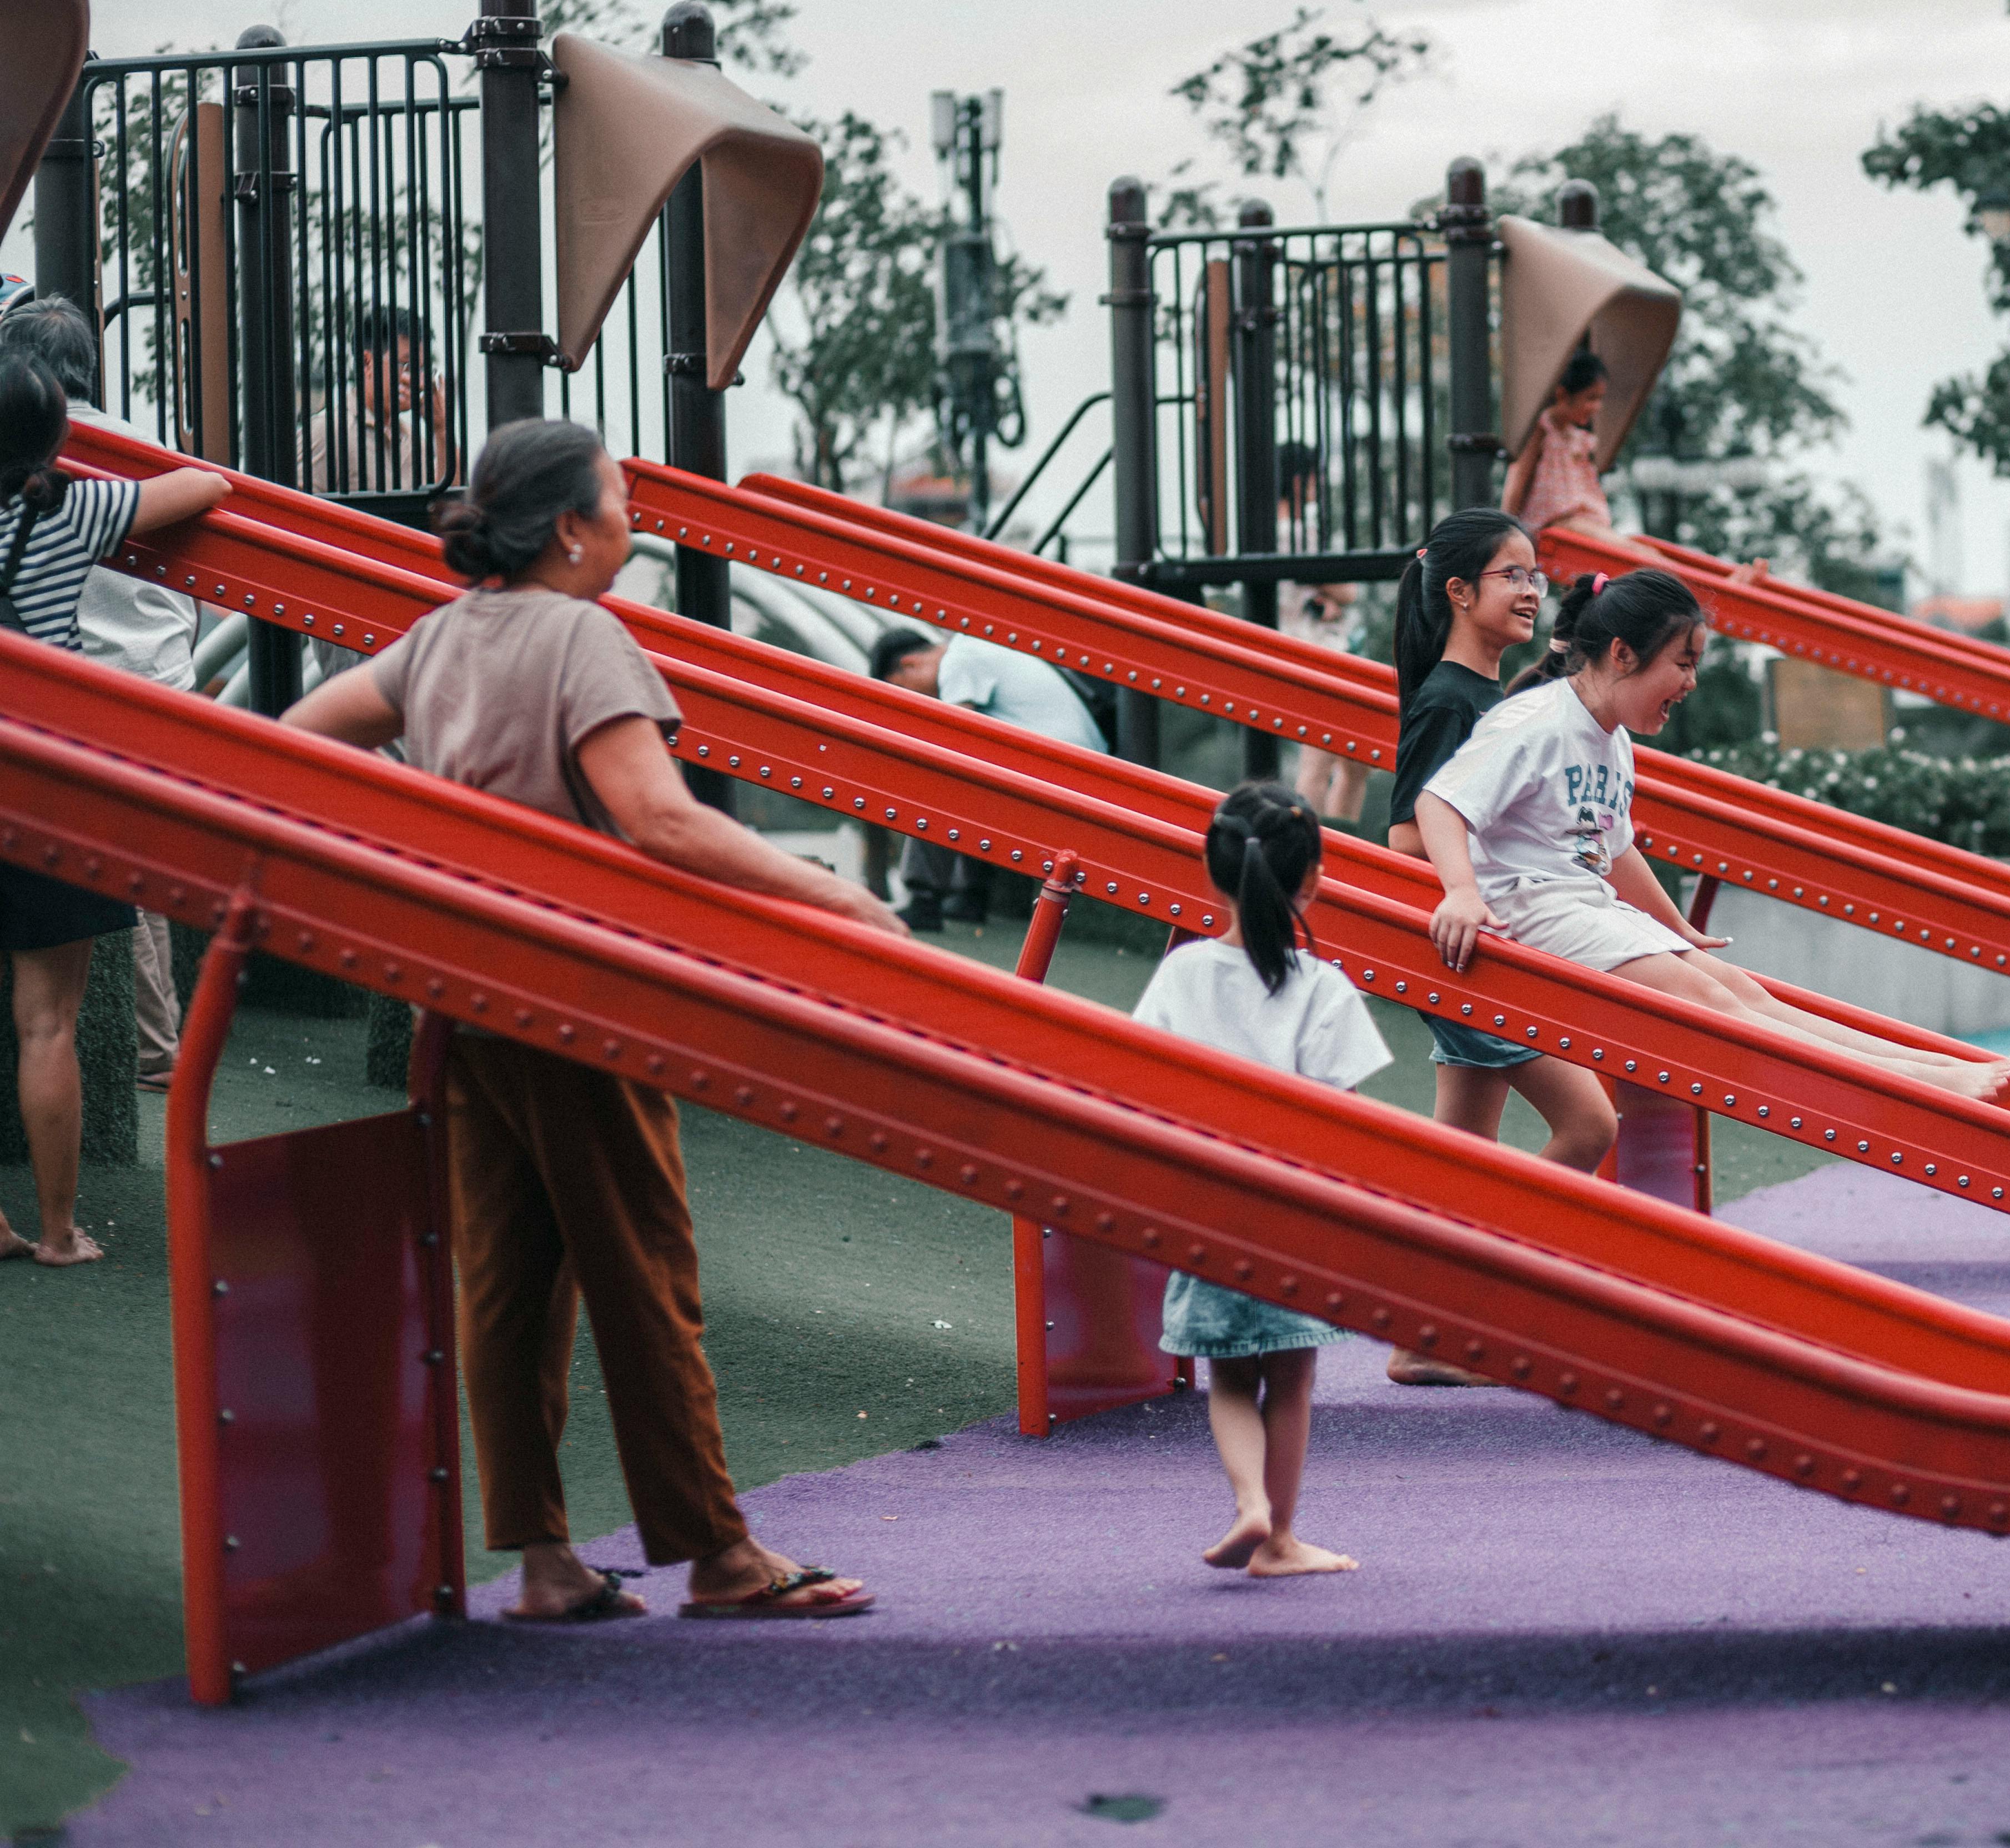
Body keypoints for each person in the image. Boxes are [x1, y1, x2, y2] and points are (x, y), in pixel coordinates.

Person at [285, 418, 896, 1619]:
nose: (634, 517)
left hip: (463, 996)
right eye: (620, 496)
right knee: (643, 1267)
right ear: (572, 527)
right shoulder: (583, 635)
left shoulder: (437, 639)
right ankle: (719, 1554)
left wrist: (432, 849)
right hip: (579, 999)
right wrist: (839, 896)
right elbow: (656, 819)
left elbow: (304, 738)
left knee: (511, 1280)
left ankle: (546, 1561)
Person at [1415, 568, 2010, 1105]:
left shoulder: (1612, 738)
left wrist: (1673, 926)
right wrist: (1462, 892)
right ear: (1624, 654)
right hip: (1531, 905)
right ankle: (1925, 1085)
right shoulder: (1539, 721)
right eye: (1682, 664)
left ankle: (1937, 1067)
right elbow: (1440, 801)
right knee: (1714, 1006)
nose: (1691, 683)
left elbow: (1616, 846)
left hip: (1579, 904)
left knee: (1741, 991)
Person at [1382, 510, 1622, 1385]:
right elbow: (1409, 834)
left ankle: (1426, 1331)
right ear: (1458, 591)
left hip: (1479, 948)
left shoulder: (1495, 698)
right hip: (1474, 949)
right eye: (1512, 575)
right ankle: (1480, 1314)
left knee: (1463, 1157)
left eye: (1535, 576)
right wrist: (1466, 887)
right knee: (1589, 1122)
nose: (1531, 591)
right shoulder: (1451, 700)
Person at [0, 355, 229, 1267]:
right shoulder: (71, 511)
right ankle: (57, 1231)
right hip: (49, 783)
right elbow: (202, 484)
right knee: (49, 1016)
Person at [1134, 782, 1376, 1577]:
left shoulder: (1183, 975)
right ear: (1312, 881)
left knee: (1230, 1378)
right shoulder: (1322, 987)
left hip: (1209, 1210)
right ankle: (1279, 1541)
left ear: (1214, 876)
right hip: (1294, 1216)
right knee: (1292, 1382)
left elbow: (1145, 1083)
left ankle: (1248, 1504)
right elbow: (1345, 1119)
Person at [0, 293, 198, 1089]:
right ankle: (160, 1047)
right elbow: (201, 489)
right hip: (167, 681)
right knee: (133, 877)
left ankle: (154, 1050)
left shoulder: (46, 467)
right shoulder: (132, 453)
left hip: (75, 707)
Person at [868, 626, 1107, 930]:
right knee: (971, 767)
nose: (916, 698)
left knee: (941, 769)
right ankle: (971, 896)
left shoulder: (959, 658)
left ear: (910, 664)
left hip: (1066, 777)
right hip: (1078, 772)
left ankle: (924, 899)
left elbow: (955, 740)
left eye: (904, 689)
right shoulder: (980, 648)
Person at [1278, 443, 1370, 828]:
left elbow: (1322, 594)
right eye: (1315, 476)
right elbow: (1348, 590)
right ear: (1299, 481)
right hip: (1319, 651)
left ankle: (1333, 838)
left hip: (1311, 643)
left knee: (1352, 758)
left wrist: (1324, 597)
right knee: (1324, 757)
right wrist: (1332, 596)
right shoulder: (1296, 533)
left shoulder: (1270, 532)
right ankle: (1317, 840)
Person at [303, 306, 449, 496]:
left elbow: (449, 512)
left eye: (421, 369)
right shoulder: (328, 432)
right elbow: (294, 515)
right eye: (406, 365)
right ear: (367, 362)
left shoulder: (413, 443)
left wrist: (443, 430)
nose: (417, 380)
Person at [1500, 348, 1617, 543]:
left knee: (1638, 548)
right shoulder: (1542, 431)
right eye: (1591, 398)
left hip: (1585, 526)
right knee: (1631, 553)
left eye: (1600, 399)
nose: (1598, 407)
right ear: (1563, 395)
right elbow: (1518, 478)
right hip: (1558, 528)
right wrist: (1506, 534)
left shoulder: (1577, 438)